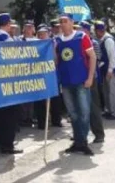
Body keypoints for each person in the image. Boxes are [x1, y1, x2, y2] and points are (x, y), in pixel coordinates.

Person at [55, 13, 97, 156]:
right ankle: (78, 141)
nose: (62, 24)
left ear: (72, 22)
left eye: (65, 21)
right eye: (60, 22)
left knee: (84, 113)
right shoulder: (57, 40)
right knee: (73, 114)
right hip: (66, 83)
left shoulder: (82, 37)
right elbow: (56, 61)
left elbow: (92, 57)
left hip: (81, 81)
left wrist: (90, 77)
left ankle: (82, 142)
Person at [0, 13, 23, 154]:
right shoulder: (6, 39)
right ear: (7, 24)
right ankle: (7, 145)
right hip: (8, 81)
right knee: (9, 115)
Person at [34, 24, 64, 129]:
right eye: (40, 34)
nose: (42, 36)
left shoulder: (54, 43)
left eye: (44, 34)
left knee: (55, 98)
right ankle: (42, 122)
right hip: (39, 75)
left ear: (48, 34)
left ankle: (56, 120)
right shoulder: (34, 45)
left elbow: (57, 59)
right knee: (40, 100)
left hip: (53, 74)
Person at [80, 21, 105, 144]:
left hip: (91, 78)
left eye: (82, 30)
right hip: (79, 79)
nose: (79, 32)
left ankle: (99, 134)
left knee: (93, 107)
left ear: (88, 31)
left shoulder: (93, 43)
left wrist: (89, 77)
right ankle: (81, 134)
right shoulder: (77, 42)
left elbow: (96, 60)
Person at [95, 21, 115, 120]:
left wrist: (110, 70)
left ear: (99, 31)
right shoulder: (103, 39)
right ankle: (108, 110)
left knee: (113, 91)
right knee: (106, 91)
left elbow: (112, 56)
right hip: (105, 69)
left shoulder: (108, 40)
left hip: (111, 70)